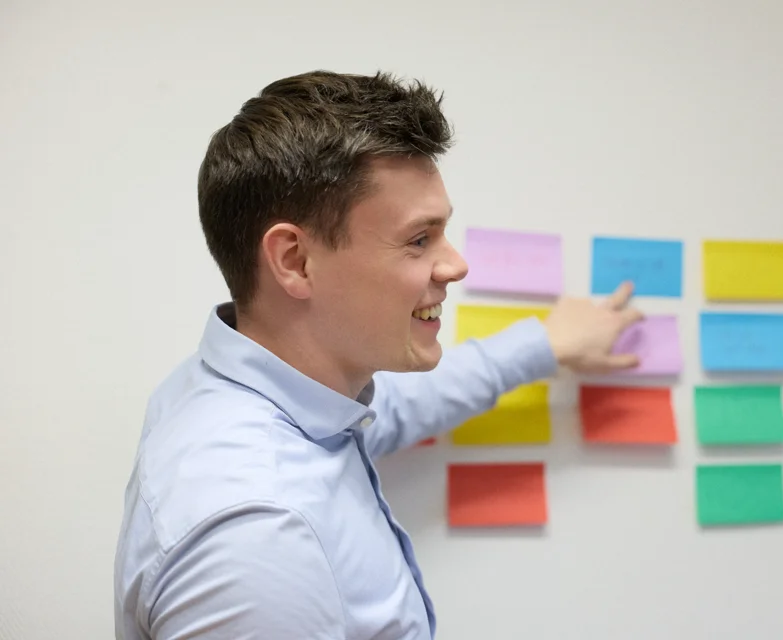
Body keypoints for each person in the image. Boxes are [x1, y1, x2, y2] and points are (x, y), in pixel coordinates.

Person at [113, 69, 643, 640]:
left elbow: (399, 408)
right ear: (294, 261)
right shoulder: (258, 531)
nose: (456, 264)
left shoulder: (252, 394)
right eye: (420, 239)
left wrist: (545, 346)